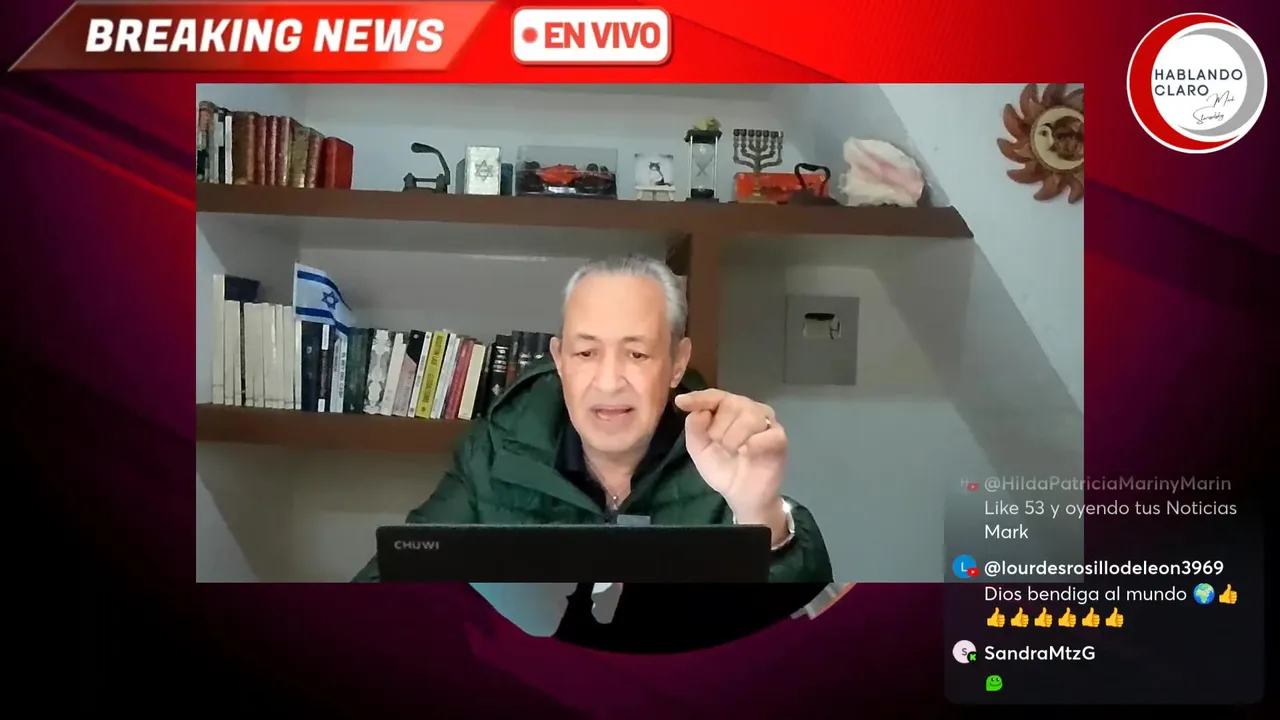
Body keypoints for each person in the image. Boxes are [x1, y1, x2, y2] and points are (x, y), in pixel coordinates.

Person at [354, 254, 832, 647]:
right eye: (586, 353)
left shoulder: (724, 457)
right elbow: (385, 588)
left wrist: (760, 514)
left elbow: (800, 637)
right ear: (560, 360)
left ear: (676, 363)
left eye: (637, 354)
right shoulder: (495, 451)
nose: (608, 382)